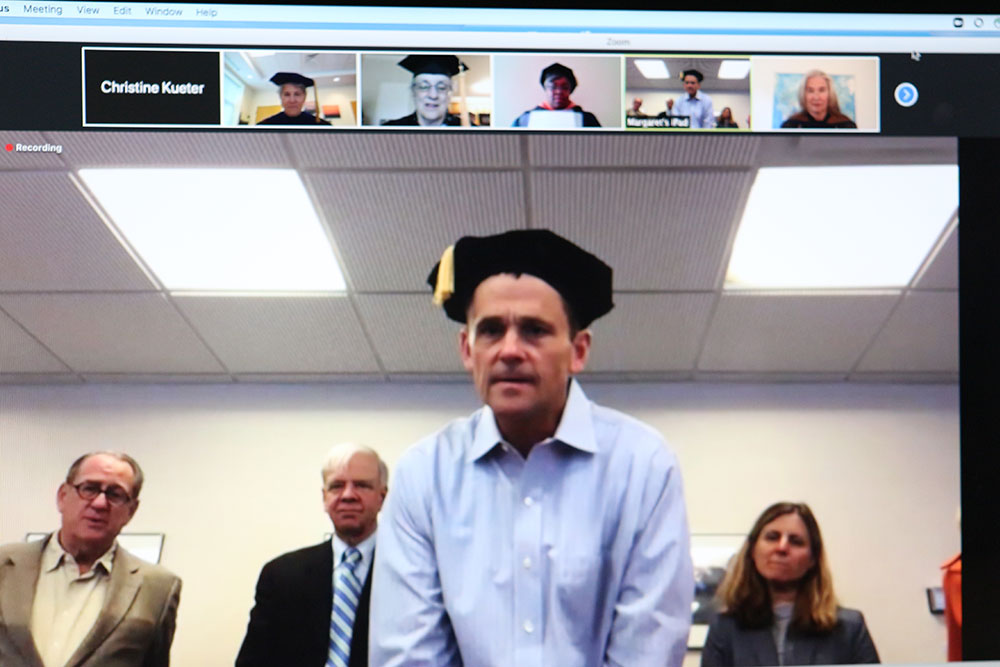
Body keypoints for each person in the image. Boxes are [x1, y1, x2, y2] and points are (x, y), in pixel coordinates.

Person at [370, 229, 693, 666]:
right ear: (467, 350)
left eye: (534, 330)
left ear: (578, 351)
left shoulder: (642, 466)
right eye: (491, 330)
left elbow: (648, 648)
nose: (509, 350)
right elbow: (409, 654)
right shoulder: (424, 475)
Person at [0, 452, 181, 666]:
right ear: (62, 496)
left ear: (131, 511)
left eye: (115, 494)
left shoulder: (158, 588)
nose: (100, 503)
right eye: (89, 488)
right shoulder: (4, 565)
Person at [236, 443, 387, 667]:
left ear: (382, 497)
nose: (348, 495)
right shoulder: (281, 576)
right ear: (324, 497)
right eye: (337, 486)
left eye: (362, 486)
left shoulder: (413, 573)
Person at [702, 502, 880, 666]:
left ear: (812, 559)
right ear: (753, 551)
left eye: (796, 541)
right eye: (772, 537)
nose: (782, 547)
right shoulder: (725, 628)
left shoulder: (849, 628)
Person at [382, 55, 472, 127]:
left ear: (450, 92)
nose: (433, 95)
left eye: (442, 87)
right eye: (424, 86)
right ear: (413, 91)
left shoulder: (470, 131)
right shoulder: (390, 130)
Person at [512, 63, 602, 127]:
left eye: (565, 87)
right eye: (553, 87)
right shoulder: (525, 120)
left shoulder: (587, 119)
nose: (559, 91)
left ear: (571, 90)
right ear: (545, 88)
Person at [780, 70, 857, 129]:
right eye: (810, 90)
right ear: (803, 94)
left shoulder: (846, 126)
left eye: (821, 90)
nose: (816, 97)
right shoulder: (791, 126)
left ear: (829, 93)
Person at [257, 72, 330, 125]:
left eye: (297, 94)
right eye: (287, 94)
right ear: (280, 97)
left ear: (304, 97)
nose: (292, 100)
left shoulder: (321, 126)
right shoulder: (266, 126)